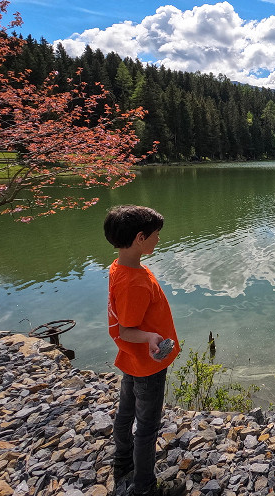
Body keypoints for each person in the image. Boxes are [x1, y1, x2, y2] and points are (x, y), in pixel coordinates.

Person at [104, 205, 182, 496]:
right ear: (140, 238)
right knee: (147, 427)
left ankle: (123, 462)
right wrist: (150, 337)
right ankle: (145, 486)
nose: (158, 240)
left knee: (125, 413)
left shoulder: (120, 267)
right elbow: (126, 329)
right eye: (156, 235)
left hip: (131, 360)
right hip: (147, 362)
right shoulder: (134, 282)